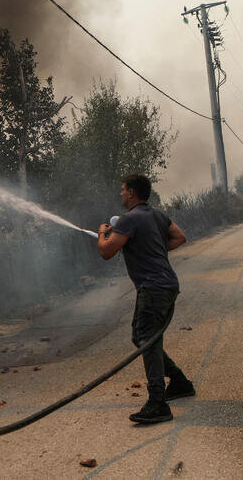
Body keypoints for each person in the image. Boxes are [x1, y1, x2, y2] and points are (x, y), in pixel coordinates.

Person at [96, 174, 195, 424]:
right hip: (167, 284)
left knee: (146, 339)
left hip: (152, 287)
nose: (121, 193)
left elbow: (106, 251)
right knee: (142, 337)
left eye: (123, 190)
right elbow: (179, 237)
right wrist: (153, 249)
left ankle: (158, 402)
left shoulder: (129, 219)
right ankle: (180, 382)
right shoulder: (158, 216)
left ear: (131, 193)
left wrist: (102, 233)